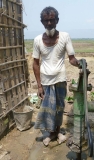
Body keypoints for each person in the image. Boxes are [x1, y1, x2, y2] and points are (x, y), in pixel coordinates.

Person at [32, 6, 79, 146]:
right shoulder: (37, 40)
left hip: (60, 79)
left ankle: (57, 132)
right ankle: (50, 133)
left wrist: (80, 64)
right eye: (46, 21)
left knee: (59, 107)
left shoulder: (65, 37)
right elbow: (35, 63)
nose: (49, 23)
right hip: (45, 81)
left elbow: (71, 58)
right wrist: (39, 85)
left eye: (52, 20)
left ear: (57, 20)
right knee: (47, 108)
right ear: (42, 22)